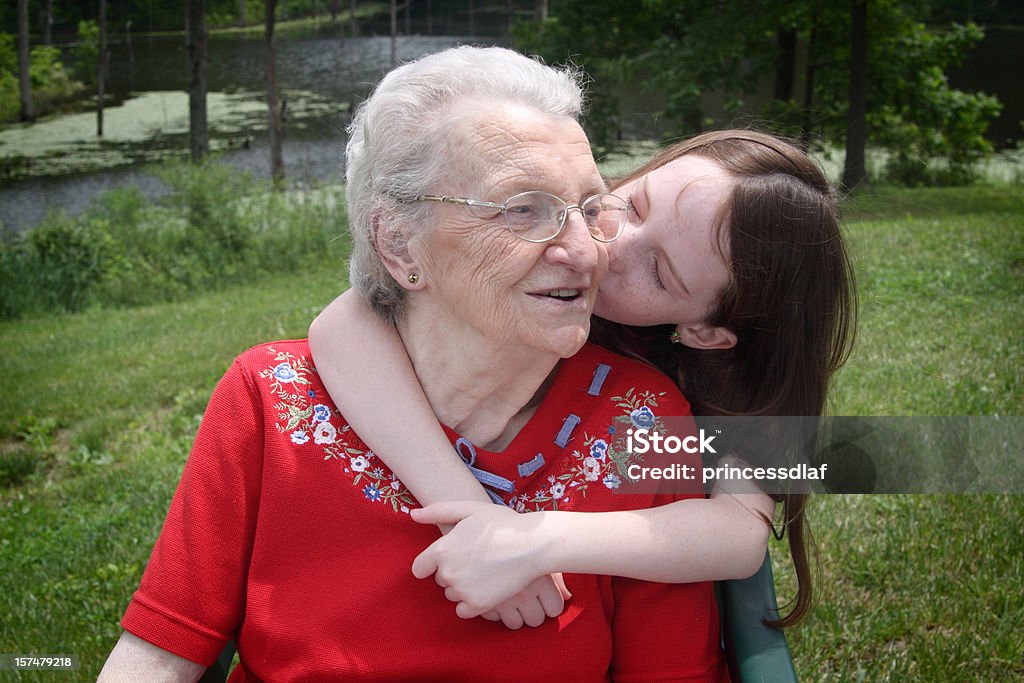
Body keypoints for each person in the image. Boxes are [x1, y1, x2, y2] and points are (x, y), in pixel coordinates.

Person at [99, 46, 729, 681]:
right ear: (398, 241)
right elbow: (160, 650)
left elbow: (767, 513)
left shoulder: (663, 417)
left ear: (714, 330)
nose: (590, 253)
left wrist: (544, 537)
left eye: (588, 209)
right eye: (522, 209)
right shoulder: (271, 397)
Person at [308, 128, 857, 629]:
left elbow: (738, 533)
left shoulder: (711, 389)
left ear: (706, 333)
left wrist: (540, 540)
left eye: (659, 272)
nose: (610, 247)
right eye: (634, 204)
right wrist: (469, 511)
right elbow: (347, 322)